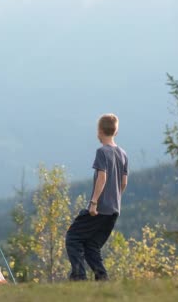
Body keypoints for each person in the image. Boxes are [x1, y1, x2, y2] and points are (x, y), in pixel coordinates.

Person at [65, 113, 128, 281]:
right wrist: (115, 197)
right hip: (114, 210)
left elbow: (102, 177)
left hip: (100, 208)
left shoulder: (102, 152)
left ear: (99, 131)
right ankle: (102, 278)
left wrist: (93, 203)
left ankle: (79, 276)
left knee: (73, 237)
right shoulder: (122, 154)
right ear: (116, 131)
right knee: (91, 245)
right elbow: (123, 182)